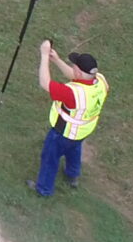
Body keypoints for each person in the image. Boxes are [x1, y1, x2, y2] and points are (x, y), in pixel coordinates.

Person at [35, 39, 109, 198]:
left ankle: (44, 189)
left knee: (50, 158)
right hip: (83, 130)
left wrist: (43, 55)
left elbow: (44, 83)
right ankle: (72, 174)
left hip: (63, 132)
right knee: (74, 150)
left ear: (78, 72)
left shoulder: (73, 93)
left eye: (74, 66)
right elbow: (76, 76)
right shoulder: (101, 81)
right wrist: (56, 60)